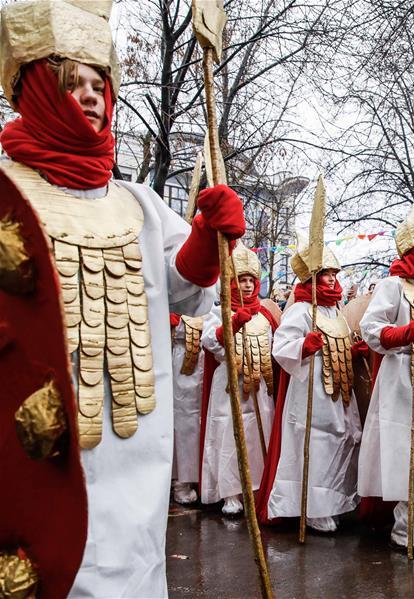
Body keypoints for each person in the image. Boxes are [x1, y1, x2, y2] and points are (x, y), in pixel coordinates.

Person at [0, 3, 238, 594]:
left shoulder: (139, 204)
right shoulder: (6, 192)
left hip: (135, 452)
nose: (90, 96)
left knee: (132, 571)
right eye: (72, 82)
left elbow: (186, 285)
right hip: (31, 452)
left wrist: (208, 238)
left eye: (98, 83)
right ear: (35, 89)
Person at [358, 209, 414, 548]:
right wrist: (400, 335)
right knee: (405, 448)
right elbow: (370, 328)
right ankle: (404, 522)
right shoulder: (392, 286)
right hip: (402, 377)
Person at [257, 241, 363, 532]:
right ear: (312, 278)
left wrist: (354, 351)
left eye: (334, 273)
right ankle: (311, 507)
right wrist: (304, 345)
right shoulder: (302, 309)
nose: (332, 278)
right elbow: (281, 347)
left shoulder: (335, 311)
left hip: (340, 390)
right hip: (311, 388)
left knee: (342, 439)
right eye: (326, 273)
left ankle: (334, 502)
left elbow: (337, 347)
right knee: (316, 443)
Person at [200, 243, 277, 516]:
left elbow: (275, 349)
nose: (246, 286)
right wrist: (231, 324)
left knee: (260, 435)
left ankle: (256, 488)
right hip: (230, 388)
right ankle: (230, 492)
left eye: (250, 280)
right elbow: (210, 342)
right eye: (241, 280)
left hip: (261, 390)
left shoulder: (266, 316)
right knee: (229, 437)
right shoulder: (219, 313)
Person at [170, 312, 209, 505]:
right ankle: (182, 481)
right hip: (181, 362)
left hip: (206, 363)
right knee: (185, 421)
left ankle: (203, 480)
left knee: (204, 421)